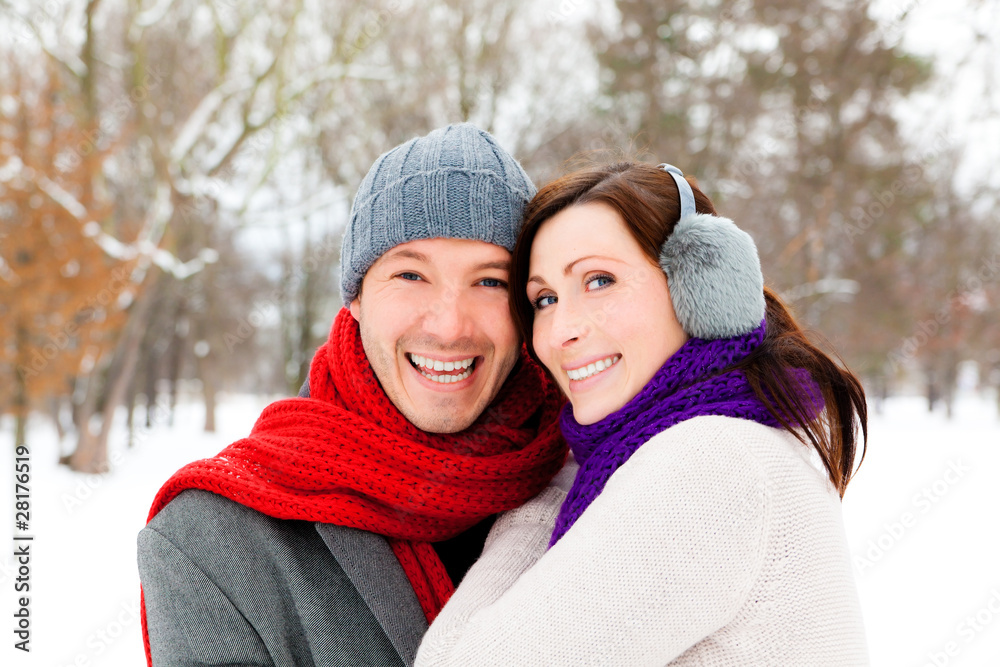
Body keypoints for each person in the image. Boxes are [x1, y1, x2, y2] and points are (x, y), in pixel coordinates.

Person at [137, 123, 566, 667]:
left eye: (491, 282)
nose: (450, 326)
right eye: (411, 275)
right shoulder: (209, 542)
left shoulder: (592, 481)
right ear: (356, 296)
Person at [415, 161, 869, 666]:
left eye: (600, 280)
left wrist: (548, 485)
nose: (560, 331)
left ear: (699, 286)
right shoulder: (744, 437)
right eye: (545, 299)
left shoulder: (710, 464)